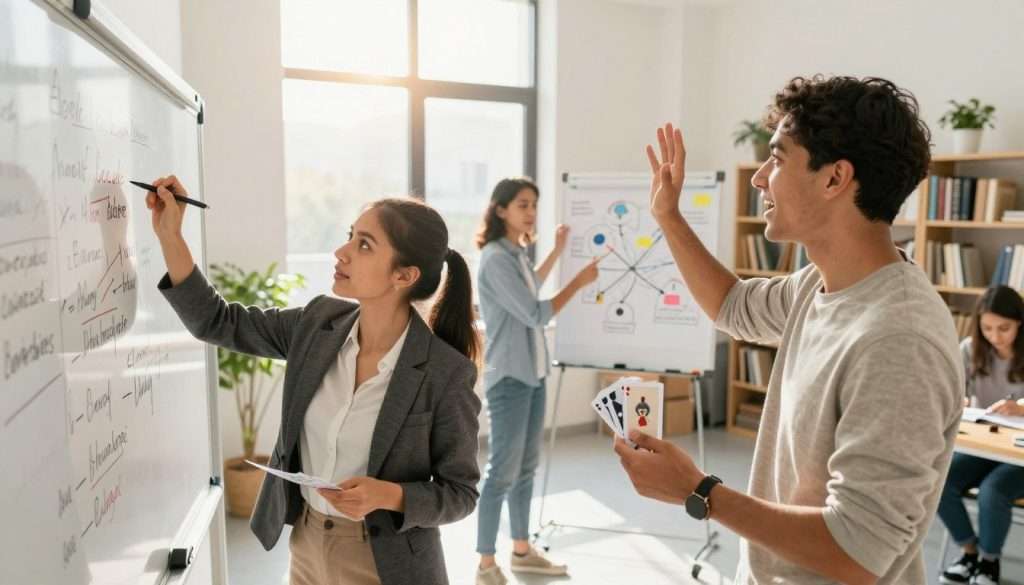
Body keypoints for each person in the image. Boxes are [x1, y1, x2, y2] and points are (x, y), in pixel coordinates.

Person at [614, 76, 964, 585]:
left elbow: (859, 551)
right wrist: (668, 217)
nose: (758, 179)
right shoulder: (817, 286)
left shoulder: (899, 338)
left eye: (777, 159)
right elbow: (733, 306)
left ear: (834, 179)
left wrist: (700, 493)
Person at [146, 176, 482, 585]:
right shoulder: (317, 324)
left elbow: (460, 493)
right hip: (307, 545)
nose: (341, 252)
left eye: (364, 245)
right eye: (350, 236)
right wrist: (170, 236)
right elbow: (216, 321)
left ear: (404, 276)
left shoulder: (444, 372)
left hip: (387, 564)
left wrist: (387, 495)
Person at [473, 177, 601, 585]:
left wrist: (557, 252)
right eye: (523, 205)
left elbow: (531, 285)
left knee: (525, 470)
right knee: (501, 473)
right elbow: (535, 313)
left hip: (533, 373)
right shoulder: (495, 258)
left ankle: (522, 551)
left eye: (534, 205)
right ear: (500, 210)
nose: (531, 212)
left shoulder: (516, 254)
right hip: (509, 377)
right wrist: (578, 283)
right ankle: (486, 564)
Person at [938, 285, 1024, 585]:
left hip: (1019, 455)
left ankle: (989, 563)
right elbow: (954, 392)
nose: (995, 337)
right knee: (938, 480)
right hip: (984, 445)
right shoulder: (969, 348)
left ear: (1020, 324)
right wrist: (956, 400)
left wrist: (1021, 410)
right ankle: (969, 551)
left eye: (1004, 328)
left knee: (993, 491)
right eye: (987, 328)